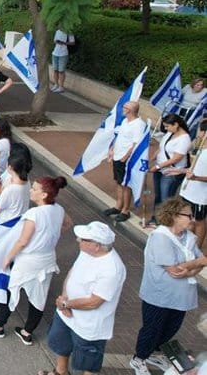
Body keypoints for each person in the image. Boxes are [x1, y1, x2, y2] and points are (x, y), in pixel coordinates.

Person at [0, 174, 71, 344]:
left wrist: (8, 257)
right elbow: (67, 224)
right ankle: (27, 332)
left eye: (35, 189)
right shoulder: (59, 209)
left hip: (28, 261)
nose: (31, 191)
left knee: (10, 291)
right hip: (48, 259)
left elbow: (22, 241)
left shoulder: (34, 214)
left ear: (44, 195)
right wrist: (51, 236)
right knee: (39, 297)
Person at [40, 222, 126, 375]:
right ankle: (61, 372)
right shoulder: (86, 252)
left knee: (88, 362)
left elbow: (94, 302)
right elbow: (72, 273)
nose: (78, 240)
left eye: (83, 239)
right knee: (61, 343)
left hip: (89, 325)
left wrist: (66, 304)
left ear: (97, 245)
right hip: (67, 313)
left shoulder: (112, 268)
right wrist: (64, 298)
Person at [129, 198, 202, 374]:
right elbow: (175, 270)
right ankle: (139, 359)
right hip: (159, 297)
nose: (192, 219)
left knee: (171, 328)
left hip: (180, 297)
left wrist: (191, 268)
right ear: (175, 216)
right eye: (188, 215)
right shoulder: (160, 238)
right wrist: (197, 262)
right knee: (152, 329)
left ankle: (154, 353)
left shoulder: (188, 237)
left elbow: (199, 263)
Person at [103, 101, 147, 223]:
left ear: (130, 110)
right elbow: (119, 136)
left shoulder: (138, 125)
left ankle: (125, 210)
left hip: (125, 159)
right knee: (118, 182)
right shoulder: (125, 121)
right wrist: (112, 149)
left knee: (126, 185)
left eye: (125, 107)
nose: (123, 108)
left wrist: (126, 156)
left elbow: (136, 144)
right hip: (117, 156)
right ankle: (118, 205)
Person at [147, 114, 191, 226]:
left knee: (166, 198)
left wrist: (157, 166)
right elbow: (161, 148)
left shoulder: (185, 139)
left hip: (171, 172)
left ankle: (165, 222)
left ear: (176, 124)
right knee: (158, 195)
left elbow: (176, 158)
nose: (166, 129)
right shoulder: (170, 133)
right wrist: (151, 160)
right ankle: (156, 218)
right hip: (160, 169)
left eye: (167, 126)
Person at [179, 146, 206, 247]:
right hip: (187, 190)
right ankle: (188, 244)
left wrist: (196, 178)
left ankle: (197, 249)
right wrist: (181, 171)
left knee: (199, 221)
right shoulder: (200, 147)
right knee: (188, 218)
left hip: (199, 195)